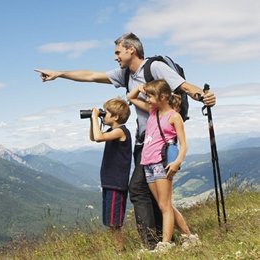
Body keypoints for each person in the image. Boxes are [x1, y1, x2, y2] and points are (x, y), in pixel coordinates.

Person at [35, 32, 216, 248]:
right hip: (143, 143)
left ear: (132, 50)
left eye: (118, 52)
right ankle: (178, 237)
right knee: (152, 196)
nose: (115, 57)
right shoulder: (125, 75)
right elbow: (92, 75)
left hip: (160, 143)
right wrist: (59, 73)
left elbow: (183, 86)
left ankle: (153, 243)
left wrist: (202, 96)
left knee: (137, 189)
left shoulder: (154, 68)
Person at [127, 80, 201, 252]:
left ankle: (165, 244)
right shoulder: (153, 112)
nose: (148, 98)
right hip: (147, 164)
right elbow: (130, 98)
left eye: (151, 95)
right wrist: (140, 89)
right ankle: (188, 237)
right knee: (164, 204)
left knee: (164, 206)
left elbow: (183, 144)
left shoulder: (174, 116)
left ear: (164, 97)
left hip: (161, 164)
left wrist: (177, 162)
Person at [89, 97, 132, 252]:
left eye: (105, 113)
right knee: (110, 222)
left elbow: (99, 137)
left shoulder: (121, 131)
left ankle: (120, 251)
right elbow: (94, 137)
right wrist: (92, 121)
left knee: (115, 223)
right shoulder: (112, 131)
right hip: (109, 182)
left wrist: (94, 117)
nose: (103, 115)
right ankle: (117, 249)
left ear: (115, 117)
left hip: (116, 183)